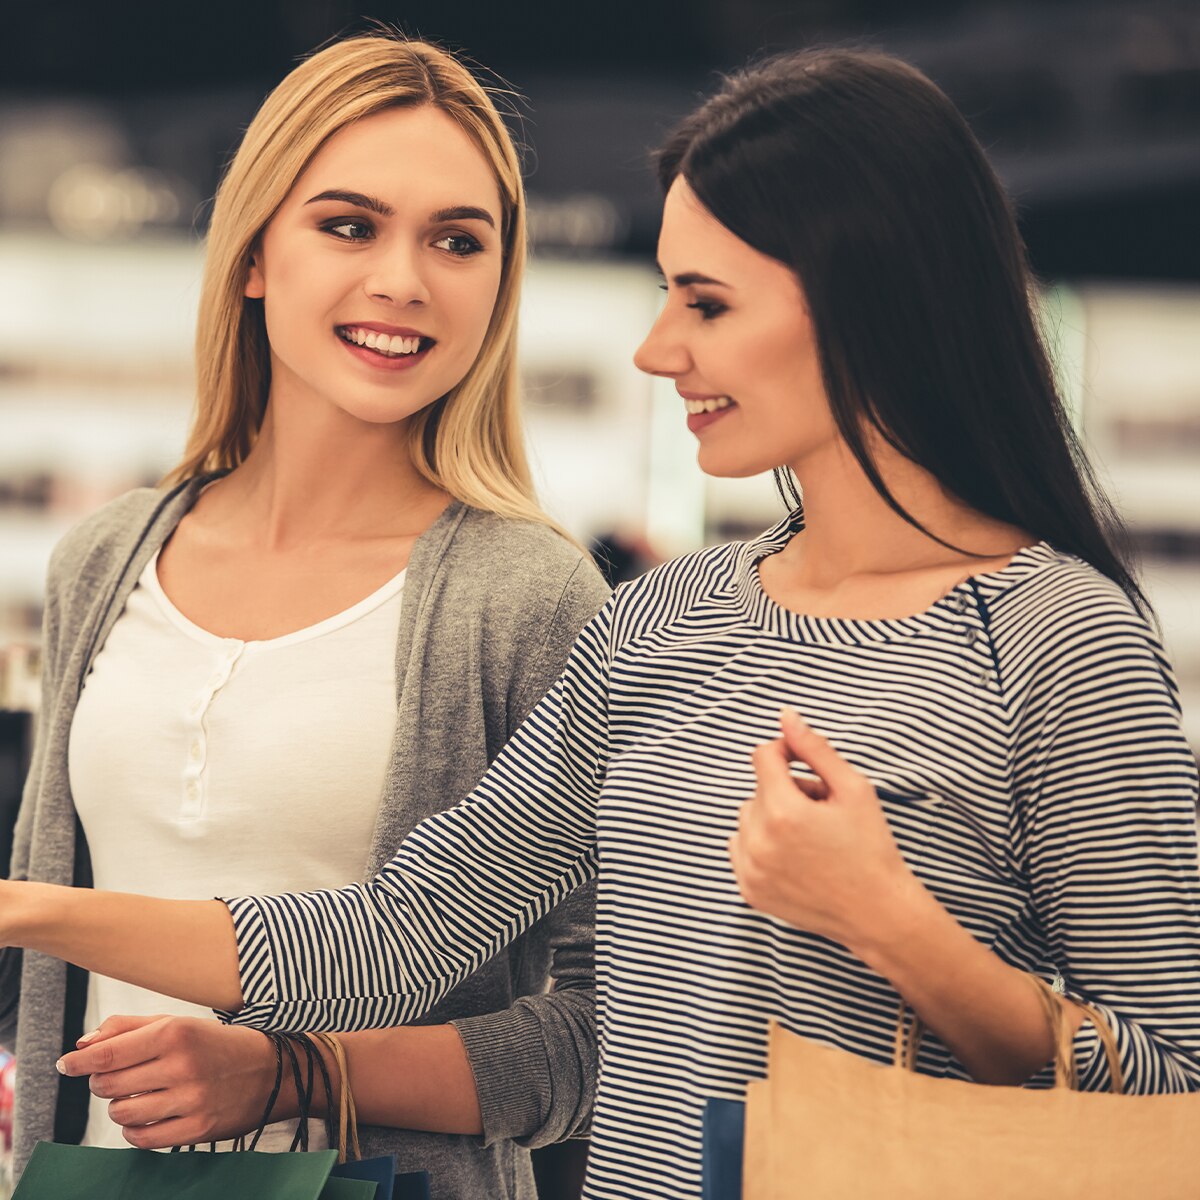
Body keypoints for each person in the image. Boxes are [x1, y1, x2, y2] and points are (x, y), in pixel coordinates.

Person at [6, 46, 1200, 1200]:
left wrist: (893, 927)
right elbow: (400, 935)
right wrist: (34, 911)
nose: (655, 348)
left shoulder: (1056, 640)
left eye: (707, 302)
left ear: (867, 302)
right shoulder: (662, 622)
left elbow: (1177, 1094)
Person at [0, 32, 607, 1197]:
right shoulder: (104, 560)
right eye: (349, 224)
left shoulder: (528, 595)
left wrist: (299, 1071)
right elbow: (55, 984)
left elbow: (597, 1035)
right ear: (255, 255)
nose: (404, 279)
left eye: (457, 240)